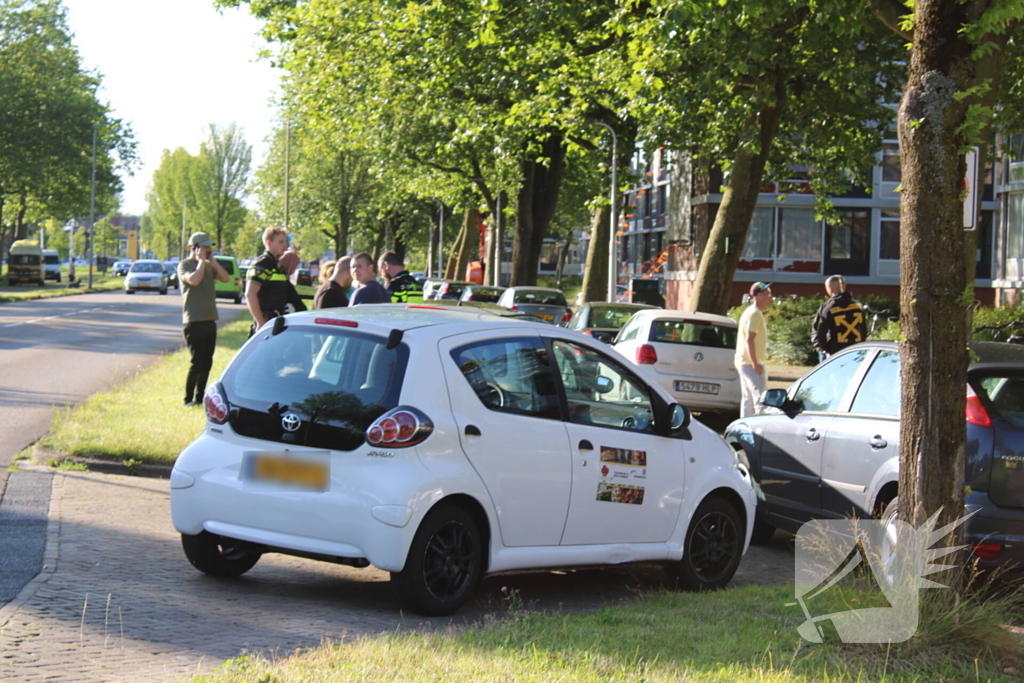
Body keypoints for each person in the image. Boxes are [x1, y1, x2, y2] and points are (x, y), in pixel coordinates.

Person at [177, 232, 230, 406]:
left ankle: (200, 399)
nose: (208, 249)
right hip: (194, 321)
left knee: (207, 361)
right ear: (195, 248)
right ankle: (187, 399)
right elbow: (194, 280)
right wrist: (201, 262)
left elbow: (225, 278)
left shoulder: (209, 265)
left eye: (209, 246)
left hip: (210, 319)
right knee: (197, 361)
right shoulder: (184, 265)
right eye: (205, 246)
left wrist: (212, 261)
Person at [735, 281, 773, 418]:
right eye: (768, 294)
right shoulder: (755, 313)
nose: (771, 297)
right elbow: (749, 339)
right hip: (750, 363)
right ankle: (760, 431)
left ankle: (744, 428)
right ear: (760, 295)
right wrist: (755, 364)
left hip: (743, 361)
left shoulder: (749, 311)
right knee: (761, 398)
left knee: (748, 399)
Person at [812, 275, 868, 362]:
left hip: (835, 352)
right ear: (844, 287)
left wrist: (821, 348)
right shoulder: (858, 305)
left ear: (830, 289)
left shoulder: (828, 308)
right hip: (855, 351)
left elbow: (820, 331)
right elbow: (864, 329)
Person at [245, 226, 290, 335]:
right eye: (280, 242)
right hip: (266, 320)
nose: (284, 245)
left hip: (278, 320)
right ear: (269, 243)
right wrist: (261, 322)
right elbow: (250, 294)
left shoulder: (277, 265)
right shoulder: (262, 264)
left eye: (285, 242)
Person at [276, 249, 308, 314]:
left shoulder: (284, 281)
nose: (295, 268)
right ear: (290, 264)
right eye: (295, 265)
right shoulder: (284, 283)